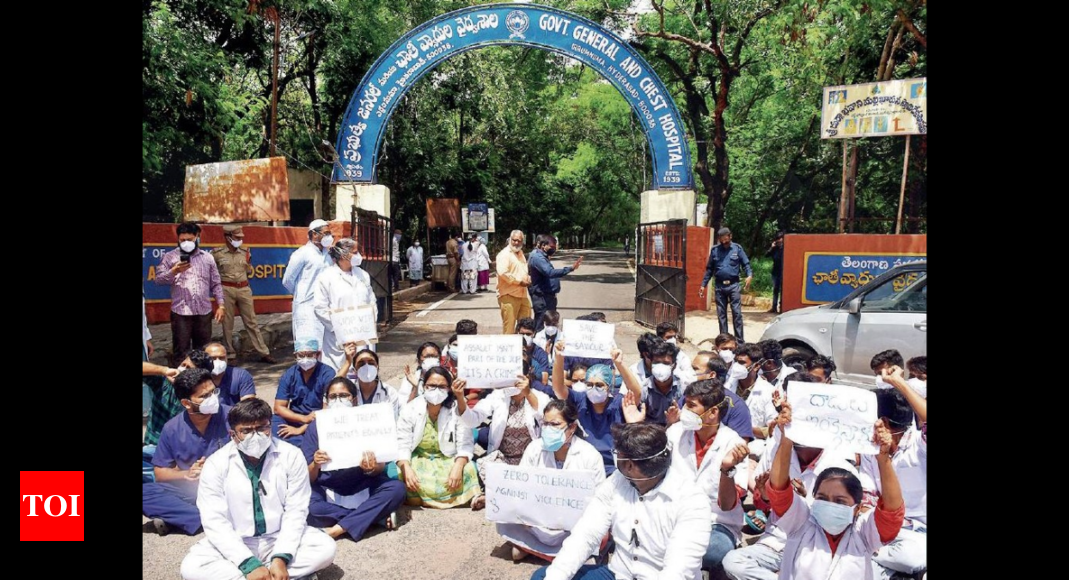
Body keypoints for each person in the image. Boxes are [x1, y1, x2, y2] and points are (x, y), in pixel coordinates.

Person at [722, 383, 871, 580]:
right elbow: (764, 501)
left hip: (815, 546)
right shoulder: (779, 455)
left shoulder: (840, 469)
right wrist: (766, 496)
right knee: (733, 562)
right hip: (775, 542)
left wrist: (803, 500)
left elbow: (843, 519)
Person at [529, 423, 712, 580]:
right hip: (619, 574)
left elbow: (678, 570)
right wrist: (557, 575)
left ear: (630, 465)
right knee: (544, 576)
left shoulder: (692, 500)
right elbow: (585, 535)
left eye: (619, 455)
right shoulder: (617, 481)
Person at [180, 399, 336, 580]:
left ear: (270, 426)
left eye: (262, 428)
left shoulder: (291, 455)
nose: (256, 435)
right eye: (246, 431)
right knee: (191, 568)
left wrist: (281, 557)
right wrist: (248, 563)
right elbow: (214, 520)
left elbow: (296, 510)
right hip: (237, 539)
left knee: (326, 548)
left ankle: (269, 573)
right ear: (233, 434)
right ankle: (276, 576)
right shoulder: (216, 463)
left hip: (278, 536)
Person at [759, 394, 904, 580]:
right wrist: (787, 438)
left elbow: (892, 513)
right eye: (822, 498)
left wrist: (883, 459)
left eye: (840, 501)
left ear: (857, 508)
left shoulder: (864, 534)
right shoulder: (801, 522)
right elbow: (778, 489)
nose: (829, 505)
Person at [496, 398, 607, 562]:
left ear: (572, 427)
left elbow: (599, 501)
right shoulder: (535, 448)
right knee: (505, 522)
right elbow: (521, 489)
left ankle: (538, 550)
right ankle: (558, 553)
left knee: (602, 534)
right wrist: (526, 516)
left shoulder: (590, 456)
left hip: (573, 527)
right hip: (537, 523)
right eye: (545, 424)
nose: (548, 429)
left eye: (555, 424)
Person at [302, 377, 406, 541]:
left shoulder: (368, 421)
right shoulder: (316, 426)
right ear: (327, 400)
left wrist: (372, 468)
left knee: (397, 489)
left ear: (354, 399)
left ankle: (336, 529)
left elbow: (380, 467)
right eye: (333, 396)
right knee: (306, 506)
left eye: (343, 395)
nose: (338, 400)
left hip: (363, 484)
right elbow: (308, 477)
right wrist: (315, 463)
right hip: (328, 488)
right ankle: (373, 518)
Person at [665, 379, 750, 579]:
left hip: (717, 523)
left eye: (691, 406)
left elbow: (727, 505)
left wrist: (726, 469)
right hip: (675, 517)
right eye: (685, 403)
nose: (684, 410)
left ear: (712, 413)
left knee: (711, 550)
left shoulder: (734, 444)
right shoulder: (675, 433)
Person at [143, 368, 231, 536]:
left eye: (213, 392)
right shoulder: (172, 428)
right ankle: (206, 517)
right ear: (186, 403)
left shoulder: (232, 416)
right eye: (204, 396)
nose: (212, 398)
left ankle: (186, 517)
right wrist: (186, 474)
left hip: (231, 486)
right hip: (194, 490)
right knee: (146, 492)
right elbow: (160, 473)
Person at [459, 359, 551, 511]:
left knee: (536, 484)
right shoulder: (498, 396)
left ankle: (496, 498)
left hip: (531, 462)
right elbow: (472, 420)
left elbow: (546, 418)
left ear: (527, 376)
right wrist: (459, 397)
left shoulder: (540, 397)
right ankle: (506, 497)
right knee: (486, 467)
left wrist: (527, 393)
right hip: (504, 459)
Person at [860, 385, 927, 579]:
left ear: (882, 422)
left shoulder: (919, 445)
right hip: (882, 527)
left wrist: (899, 382)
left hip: (918, 532)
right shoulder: (869, 448)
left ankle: (873, 553)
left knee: (912, 558)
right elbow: (867, 495)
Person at [395, 366, 480, 508]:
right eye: (432, 386)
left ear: (449, 389)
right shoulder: (411, 408)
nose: (436, 390)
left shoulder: (457, 408)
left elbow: (465, 443)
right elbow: (402, 442)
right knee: (398, 473)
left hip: (447, 458)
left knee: (470, 468)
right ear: (424, 386)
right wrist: (406, 467)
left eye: (442, 387)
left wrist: (458, 467)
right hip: (419, 458)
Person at [155, 222, 226, 366]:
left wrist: (221, 305)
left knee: (203, 352)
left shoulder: (207, 258)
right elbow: (159, 280)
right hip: (181, 313)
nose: (186, 243)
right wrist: (174, 271)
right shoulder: (170, 257)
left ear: (197, 237)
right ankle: (181, 384)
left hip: (203, 312)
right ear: (178, 239)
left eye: (189, 239)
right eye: (182, 240)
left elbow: (216, 283)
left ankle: (202, 383)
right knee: (181, 352)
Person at [551, 346, 627, 475]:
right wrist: (559, 358)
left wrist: (620, 364)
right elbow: (558, 388)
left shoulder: (617, 403)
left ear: (609, 387)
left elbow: (636, 392)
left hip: (611, 470)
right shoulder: (580, 400)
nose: (593, 389)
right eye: (589, 384)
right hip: (583, 468)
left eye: (599, 385)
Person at [211, 225, 277, 364]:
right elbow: (213, 274)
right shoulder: (217, 253)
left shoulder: (246, 252)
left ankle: (263, 352)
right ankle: (230, 353)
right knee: (227, 323)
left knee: (251, 321)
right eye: (236, 237)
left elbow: (248, 270)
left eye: (241, 237)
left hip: (244, 288)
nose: (240, 240)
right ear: (228, 237)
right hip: (226, 288)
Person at [314, 237, 378, 371]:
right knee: (340, 376)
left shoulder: (363, 275)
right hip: (339, 337)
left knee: (364, 372)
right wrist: (340, 328)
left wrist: (369, 321)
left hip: (363, 334)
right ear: (343, 254)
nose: (358, 255)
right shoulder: (326, 277)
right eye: (355, 252)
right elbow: (320, 308)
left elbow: (371, 301)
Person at [272, 339, 336, 449]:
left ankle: (300, 447)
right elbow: (278, 408)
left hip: (318, 421)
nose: (305, 359)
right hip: (296, 418)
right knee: (271, 422)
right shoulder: (289, 374)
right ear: (295, 356)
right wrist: (303, 419)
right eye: (301, 356)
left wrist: (300, 430)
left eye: (310, 355)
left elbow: (327, 410)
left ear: (318, 354)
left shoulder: (327, 374)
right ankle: (305, 446)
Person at [282, 219, 334, 350]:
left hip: (325, 306)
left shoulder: (328, 254)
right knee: (307, 347)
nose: (329, 236)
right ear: (314, 234)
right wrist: (302, 296)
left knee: (325, 347)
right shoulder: (302, 253)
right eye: (325, 233)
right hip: (306, 308)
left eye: (329, 233)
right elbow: (287, 280)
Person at [698, 227, 753, 341]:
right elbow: (709, 270)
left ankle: (739, 341)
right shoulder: (715, 251)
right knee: (721, 314)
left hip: (733, 286)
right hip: (719, 287)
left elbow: (746, 264)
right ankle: (724, 340)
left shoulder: (737, 249)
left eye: (725, 236)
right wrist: (703, 285)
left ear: (730, 236)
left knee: (737, 314)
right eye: (721, 237)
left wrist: (749, 275)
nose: (723, 239)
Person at [528, 234, 583, 331]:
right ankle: (539, 345)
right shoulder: (537, 257)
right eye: (552, 247)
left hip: (547, 296)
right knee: (541, 324)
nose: (554, 249)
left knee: (549, 323)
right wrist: (570, 268)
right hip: (542, 297)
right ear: (542, 245)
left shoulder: (542, 256)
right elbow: (549, 272)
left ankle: (549, 344)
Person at [334, 345, 402, 418]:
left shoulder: (389, 393)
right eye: (361, 363)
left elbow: (393, 420)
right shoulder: (348, 390)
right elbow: (332, 389)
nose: (367, 367)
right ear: (354, 370)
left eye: (371, 363)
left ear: (377, 367)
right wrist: (348, 362)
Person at [497, 229, 534, 334]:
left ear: (522, 241)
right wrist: (519, 282)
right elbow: (503, 273)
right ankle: (508, 349)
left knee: (526, 326)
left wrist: (528, 277)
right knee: (509, 328)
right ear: (510, 239)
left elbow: (522, 270)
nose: (516, 243)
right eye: (514, 240)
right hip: (508, 296)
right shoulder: (504, 254)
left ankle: (523, 348)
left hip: (522, 295)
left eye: (519, 240)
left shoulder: (520, 253)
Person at [656, 321, 696, 386]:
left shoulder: (681, 356)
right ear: (660, 338)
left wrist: (674, 373)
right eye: (669, 337)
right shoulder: (654, 354)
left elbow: (690, 378)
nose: (673, 340)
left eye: (674, 337)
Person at [765, 231, 784, 313]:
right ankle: (774, 307)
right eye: (777, 239)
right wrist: (771, 248)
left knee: (783, 290)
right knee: (775, 289)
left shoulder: (786, 248)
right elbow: (766, 255)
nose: (779, 241)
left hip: (784, 272)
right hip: (775, 272)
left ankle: (782, 307)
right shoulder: (774, 249)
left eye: (780, 239)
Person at [390, 229, 403, 293]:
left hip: (395, 259)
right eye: (399, 234)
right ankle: (395, 287)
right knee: (395, 274)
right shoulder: (394, 241)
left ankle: (395, 286)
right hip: (394, 260)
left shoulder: (396, 241)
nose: (400, 236)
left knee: (394, 275)